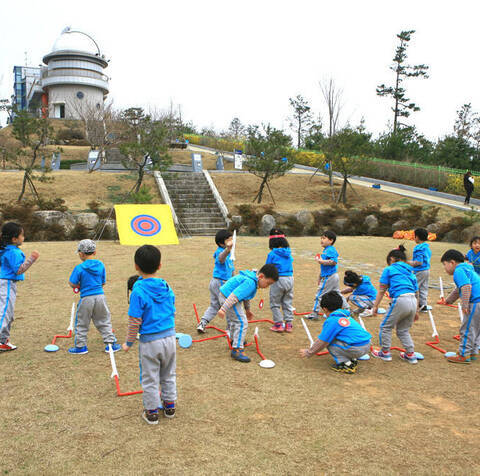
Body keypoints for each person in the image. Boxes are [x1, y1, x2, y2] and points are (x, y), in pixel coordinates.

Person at [122, 245, 177, 424]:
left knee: (150, 377)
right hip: (170, 339)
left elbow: (134, 321)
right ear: (160, 265)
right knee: (168, 373)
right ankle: (170, 406)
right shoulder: (167, 287)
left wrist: (128, 343)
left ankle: (152, 411)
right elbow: (172, 308)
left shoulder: (137, 291)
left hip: (150, 342)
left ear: (136, 266)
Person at [217, 264, 279, 362]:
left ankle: (234, 340)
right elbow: (234, 296)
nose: (267, 287)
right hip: (228, 298)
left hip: (226, 296)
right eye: (268, 283)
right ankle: (237, 349)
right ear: (261, 276)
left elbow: (245, 296)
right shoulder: (250, 283)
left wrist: (247, 310)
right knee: (241, 322)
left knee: (236, 320)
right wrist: (223, 309)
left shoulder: (253, 280)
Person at [299, 291, 371, 374]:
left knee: (329, 341)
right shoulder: (346, 315)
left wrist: (309, 352)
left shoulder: (332, 320)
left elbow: (322, 341)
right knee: (336, 337)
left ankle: (347, 364)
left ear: (325, 309)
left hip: (356, 348)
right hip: (366, 345)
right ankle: (352, 358)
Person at [68, 239, 119, 354]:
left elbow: (72, 283)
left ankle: (80, 347)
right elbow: (103, 282)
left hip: (86, 299)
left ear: (81, 254)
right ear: (94, 252)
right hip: (100, 297)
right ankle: (110, 344)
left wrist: (78, 286)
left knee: (82, 322)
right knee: (104, 320)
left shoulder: (79, 268)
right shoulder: (101, 265)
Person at [371, 245, 420, 364]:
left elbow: (382, 290)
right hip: (413, 300)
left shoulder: (389, 269)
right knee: (403, 330)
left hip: (400, 299)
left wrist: (375, 306)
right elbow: (417, 292)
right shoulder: (410, 271)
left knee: (385, 327)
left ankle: (385, 352)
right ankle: (410, 354)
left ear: (391, 259)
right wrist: (416, 310)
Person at [0, 222, 39, 351]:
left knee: (8, 313)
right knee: (5, 313)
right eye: (22, 235)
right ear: (14, 239)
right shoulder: (13, 253)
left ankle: (3, 341)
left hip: (7, 283)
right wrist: (32, 259)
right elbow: (19, 270)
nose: (24, 237)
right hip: (6, 284)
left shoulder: (6, 249)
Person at [441, 249, 480, 364]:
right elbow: (459, 289)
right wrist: (449, 300)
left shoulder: (459, 271)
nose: (445, 268)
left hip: (475, 302)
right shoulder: (467, 268)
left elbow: (466, 287)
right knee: (476, 328)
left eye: (445, 265)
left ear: (452, 263)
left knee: (467, 328)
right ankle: (472, 352)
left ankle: (463, 355)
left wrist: (465, 305)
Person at [196, 230, 234, 333]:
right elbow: (221, 259)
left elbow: (231, 269)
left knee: (215, 305)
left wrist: (233, 280)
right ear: (222, 243)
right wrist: (227, 250)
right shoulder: (221, 252)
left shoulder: (230, 253)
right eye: (228, 239)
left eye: (232, 238)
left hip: (220, 282)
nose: (232, 241)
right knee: (229, 305)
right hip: (221, 283)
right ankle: (230, 329)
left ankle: (202, 323)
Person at [307, 230, 348, 320]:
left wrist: (321, 261)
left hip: (330, 277)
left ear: (331, 240)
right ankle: (347, 308)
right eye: (321, 238)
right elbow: (324, 267)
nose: (321, 240)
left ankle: (314, 313)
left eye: (324, 238)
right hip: (331, 276)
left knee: (319, 294)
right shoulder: (326, 250)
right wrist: (320, 276)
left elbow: (334, 262)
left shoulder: (331, 250)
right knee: (337, 293)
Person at [265, 228, 294, 333]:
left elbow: (268, 267)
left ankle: (278, 324)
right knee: (287, 302)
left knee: (275, 302)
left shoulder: (272, 254)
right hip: (290, 279)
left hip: (278, 280)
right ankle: (289, 324)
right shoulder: (288, 253)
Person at [408, 228, 432, 312]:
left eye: (414, 236)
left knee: (414, 286)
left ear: (417, 237)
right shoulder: (426, 247)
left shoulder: (419, 248)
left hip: (420, 271)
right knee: (423, 288)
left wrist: (408, 262)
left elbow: (419, 262)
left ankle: (413, 304)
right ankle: (423, 305)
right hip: (427, 270)